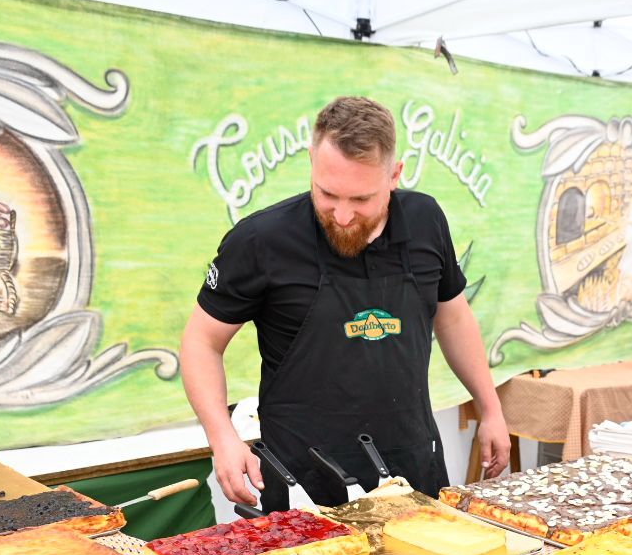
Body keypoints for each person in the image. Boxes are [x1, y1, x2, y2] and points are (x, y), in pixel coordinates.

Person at [182, 96, 510, 512]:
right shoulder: (261, 241)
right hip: (304, 481)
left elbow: (453, 317)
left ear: (394, 175)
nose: (341, 215)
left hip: (412, 464)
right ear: (311, 161)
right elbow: (201, 341)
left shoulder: (426, 220)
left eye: (360, 200)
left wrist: (490, 408)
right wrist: (222, 438)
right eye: (327, 193)